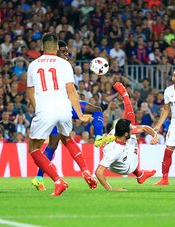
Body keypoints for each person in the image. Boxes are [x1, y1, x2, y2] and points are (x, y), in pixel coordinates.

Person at [27, 33, 95, 196]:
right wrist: (79, 114)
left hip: (45, 109)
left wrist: (39, 111)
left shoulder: (33, 65)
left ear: (42, 47)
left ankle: (58, 181)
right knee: (67, 139)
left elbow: (31, 93)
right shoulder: (64, 64)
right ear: (57, 47)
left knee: (34, 148)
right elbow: (71, 91)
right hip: (64, 108)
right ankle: (86, 171)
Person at [95, 82, 159, 191]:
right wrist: (111, 189)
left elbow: (144, 128)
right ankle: (125, 95)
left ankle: (140, 174)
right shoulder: (115, 151)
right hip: (127, 167)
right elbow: (98, 172)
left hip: (116, 157)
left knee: (132, 129)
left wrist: (155, 135)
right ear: (125, 133)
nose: (133, 129)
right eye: (130, 129)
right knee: (133, 137)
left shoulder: (116, 131)